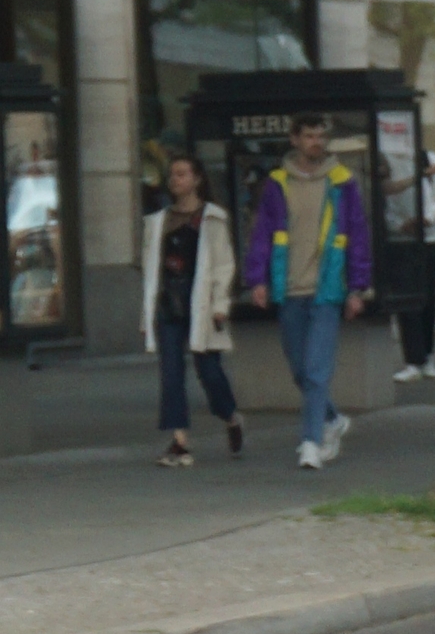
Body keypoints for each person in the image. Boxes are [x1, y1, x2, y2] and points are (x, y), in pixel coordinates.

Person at [243, 113, 372, 470]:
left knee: (316, 369)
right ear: (294, 140)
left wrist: (357, 287)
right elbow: (263, 234)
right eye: (310, 136)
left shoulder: (342, 182)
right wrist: (258, 279)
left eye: (321, 136)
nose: (317, 142)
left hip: (328, 290)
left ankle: (311, 443)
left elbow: (358, 236)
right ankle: (332, 419)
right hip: (289, 288)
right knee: (300, 369)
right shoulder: (277, 183)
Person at [139, 153, 244, 467]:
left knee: (209, 371)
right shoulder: (157, 222)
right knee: (170, 373)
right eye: (172, 174)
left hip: (201, 302)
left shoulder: (212, 218)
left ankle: (230, 416)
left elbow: (224, 264)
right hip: (167, 302)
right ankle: (180, 441)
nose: (175, 180)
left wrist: (221, 304)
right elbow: (150, 270)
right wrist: (146, 315)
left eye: (182, 174)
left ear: (197, 179)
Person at [391, 149, 435, 382]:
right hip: (400, 239)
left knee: (428, 298)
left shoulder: (428, 158)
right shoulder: (383, 159)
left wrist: (429, 218)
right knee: (407, 299)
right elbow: (382, 197)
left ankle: (426, 355)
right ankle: (413, 359)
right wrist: (399, 225)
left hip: (429, 238)